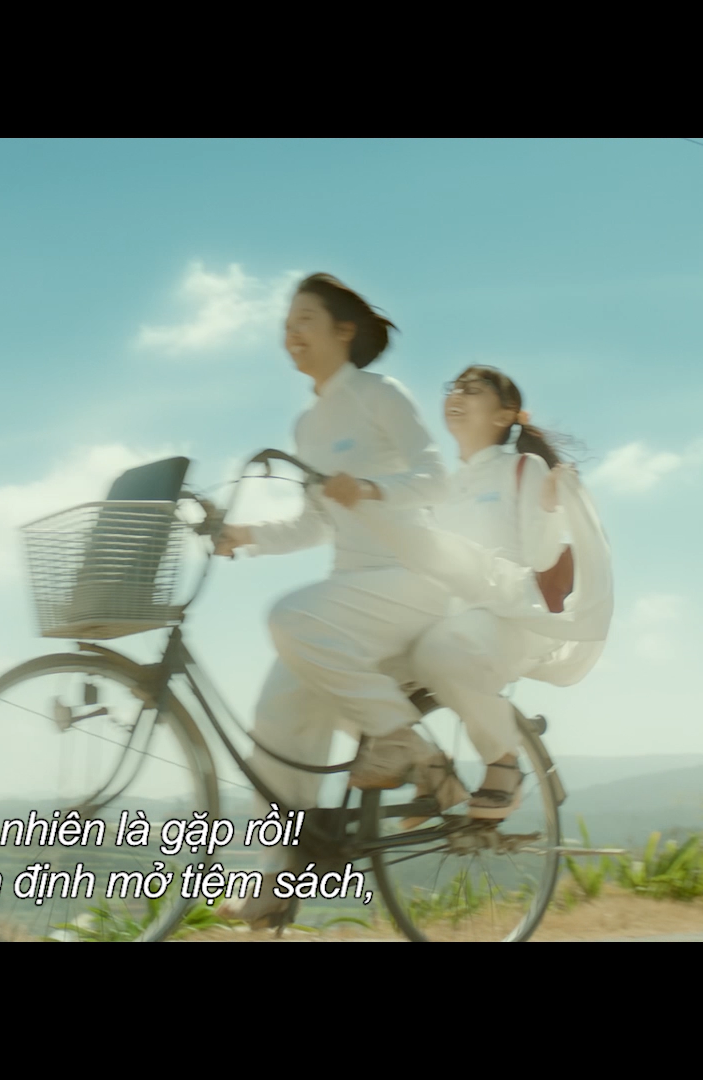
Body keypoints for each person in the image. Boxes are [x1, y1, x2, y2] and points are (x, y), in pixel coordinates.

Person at [212, 274, 471, 926]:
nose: (291, 334)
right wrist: (247, 535)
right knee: (274, 723)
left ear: (344, 330)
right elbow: (312, 526)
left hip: (413, 577)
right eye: (286, 324)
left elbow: (435, 478)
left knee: (287, 616)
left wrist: (374, 488)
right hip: (354, 591)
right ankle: (281, 877)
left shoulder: (380, 393)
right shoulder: (307, 424)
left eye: (305, 319)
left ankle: (407, 746)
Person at [397, 364, 606, 824]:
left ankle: (503, 762)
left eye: (472, 390)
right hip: (451, 617)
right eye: (453, 388)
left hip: (512, 618)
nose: (457, 396)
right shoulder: (442, 486)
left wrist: (548, 506)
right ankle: (431, 772)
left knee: (442, 650)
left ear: (505, 414)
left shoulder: (522, 468)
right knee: (350, 660)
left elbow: (542, 555)